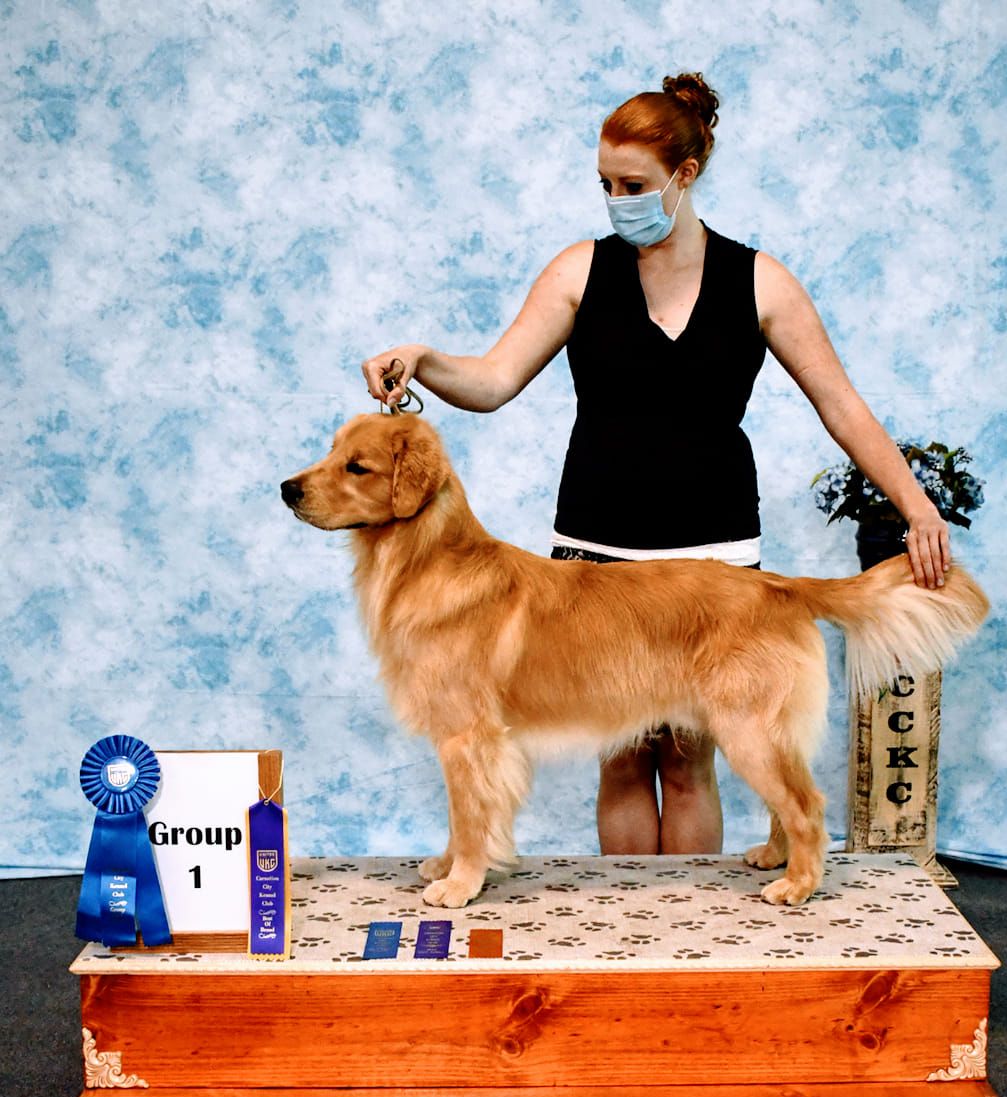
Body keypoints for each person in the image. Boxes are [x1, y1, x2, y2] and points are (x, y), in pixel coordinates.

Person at [361, 72, 952, 859]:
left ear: (685, 174)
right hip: (594, 549)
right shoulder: (578, 272)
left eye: (633, 185)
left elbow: (842, 406)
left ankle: (692, 922)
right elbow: (494, 381)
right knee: (621, 761)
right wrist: (425, 358)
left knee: (688, 762)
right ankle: (631, 927)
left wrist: (917, 506)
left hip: (712, 556)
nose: (617, 200)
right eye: (605, 184)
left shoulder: (761, 282)